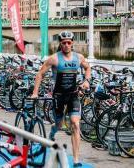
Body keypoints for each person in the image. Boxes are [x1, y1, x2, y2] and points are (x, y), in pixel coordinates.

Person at [31, 31, 91, 167]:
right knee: (58, 125)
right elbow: (40, 74)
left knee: (75, 124)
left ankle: (76, 160)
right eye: (63, 43)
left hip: (73, 95)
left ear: (72, 43)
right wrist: (35, 93)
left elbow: (88, 68)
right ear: (60, 43)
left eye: (69, 42)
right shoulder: (54, 58)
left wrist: (87, 81)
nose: (66, 45)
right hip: (58, 96)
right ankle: (52, 132)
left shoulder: (79, 57)